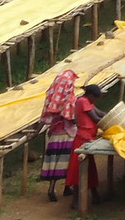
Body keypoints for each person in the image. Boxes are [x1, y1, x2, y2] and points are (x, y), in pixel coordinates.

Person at [39, 68, 78, 202]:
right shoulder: (70, 99)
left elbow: (46, 116)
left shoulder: (52, 98)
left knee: (55, 161)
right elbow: (72, 118)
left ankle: (52, 188)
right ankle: (67, 187)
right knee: (67, 162)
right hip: (67, 134)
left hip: (55, 134)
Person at [65, 84, 104, 208]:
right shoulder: (82, 101)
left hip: (88, 139)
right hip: (82, 139)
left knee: (90, 168)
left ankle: (95, 195)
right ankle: (76, 201)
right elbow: (95, 117)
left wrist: (112, 115)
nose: (96, 101)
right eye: (96, 99)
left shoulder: (88, 102)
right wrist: (109, 124)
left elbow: (100, 113)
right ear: (91, 95)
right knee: (79, 170)